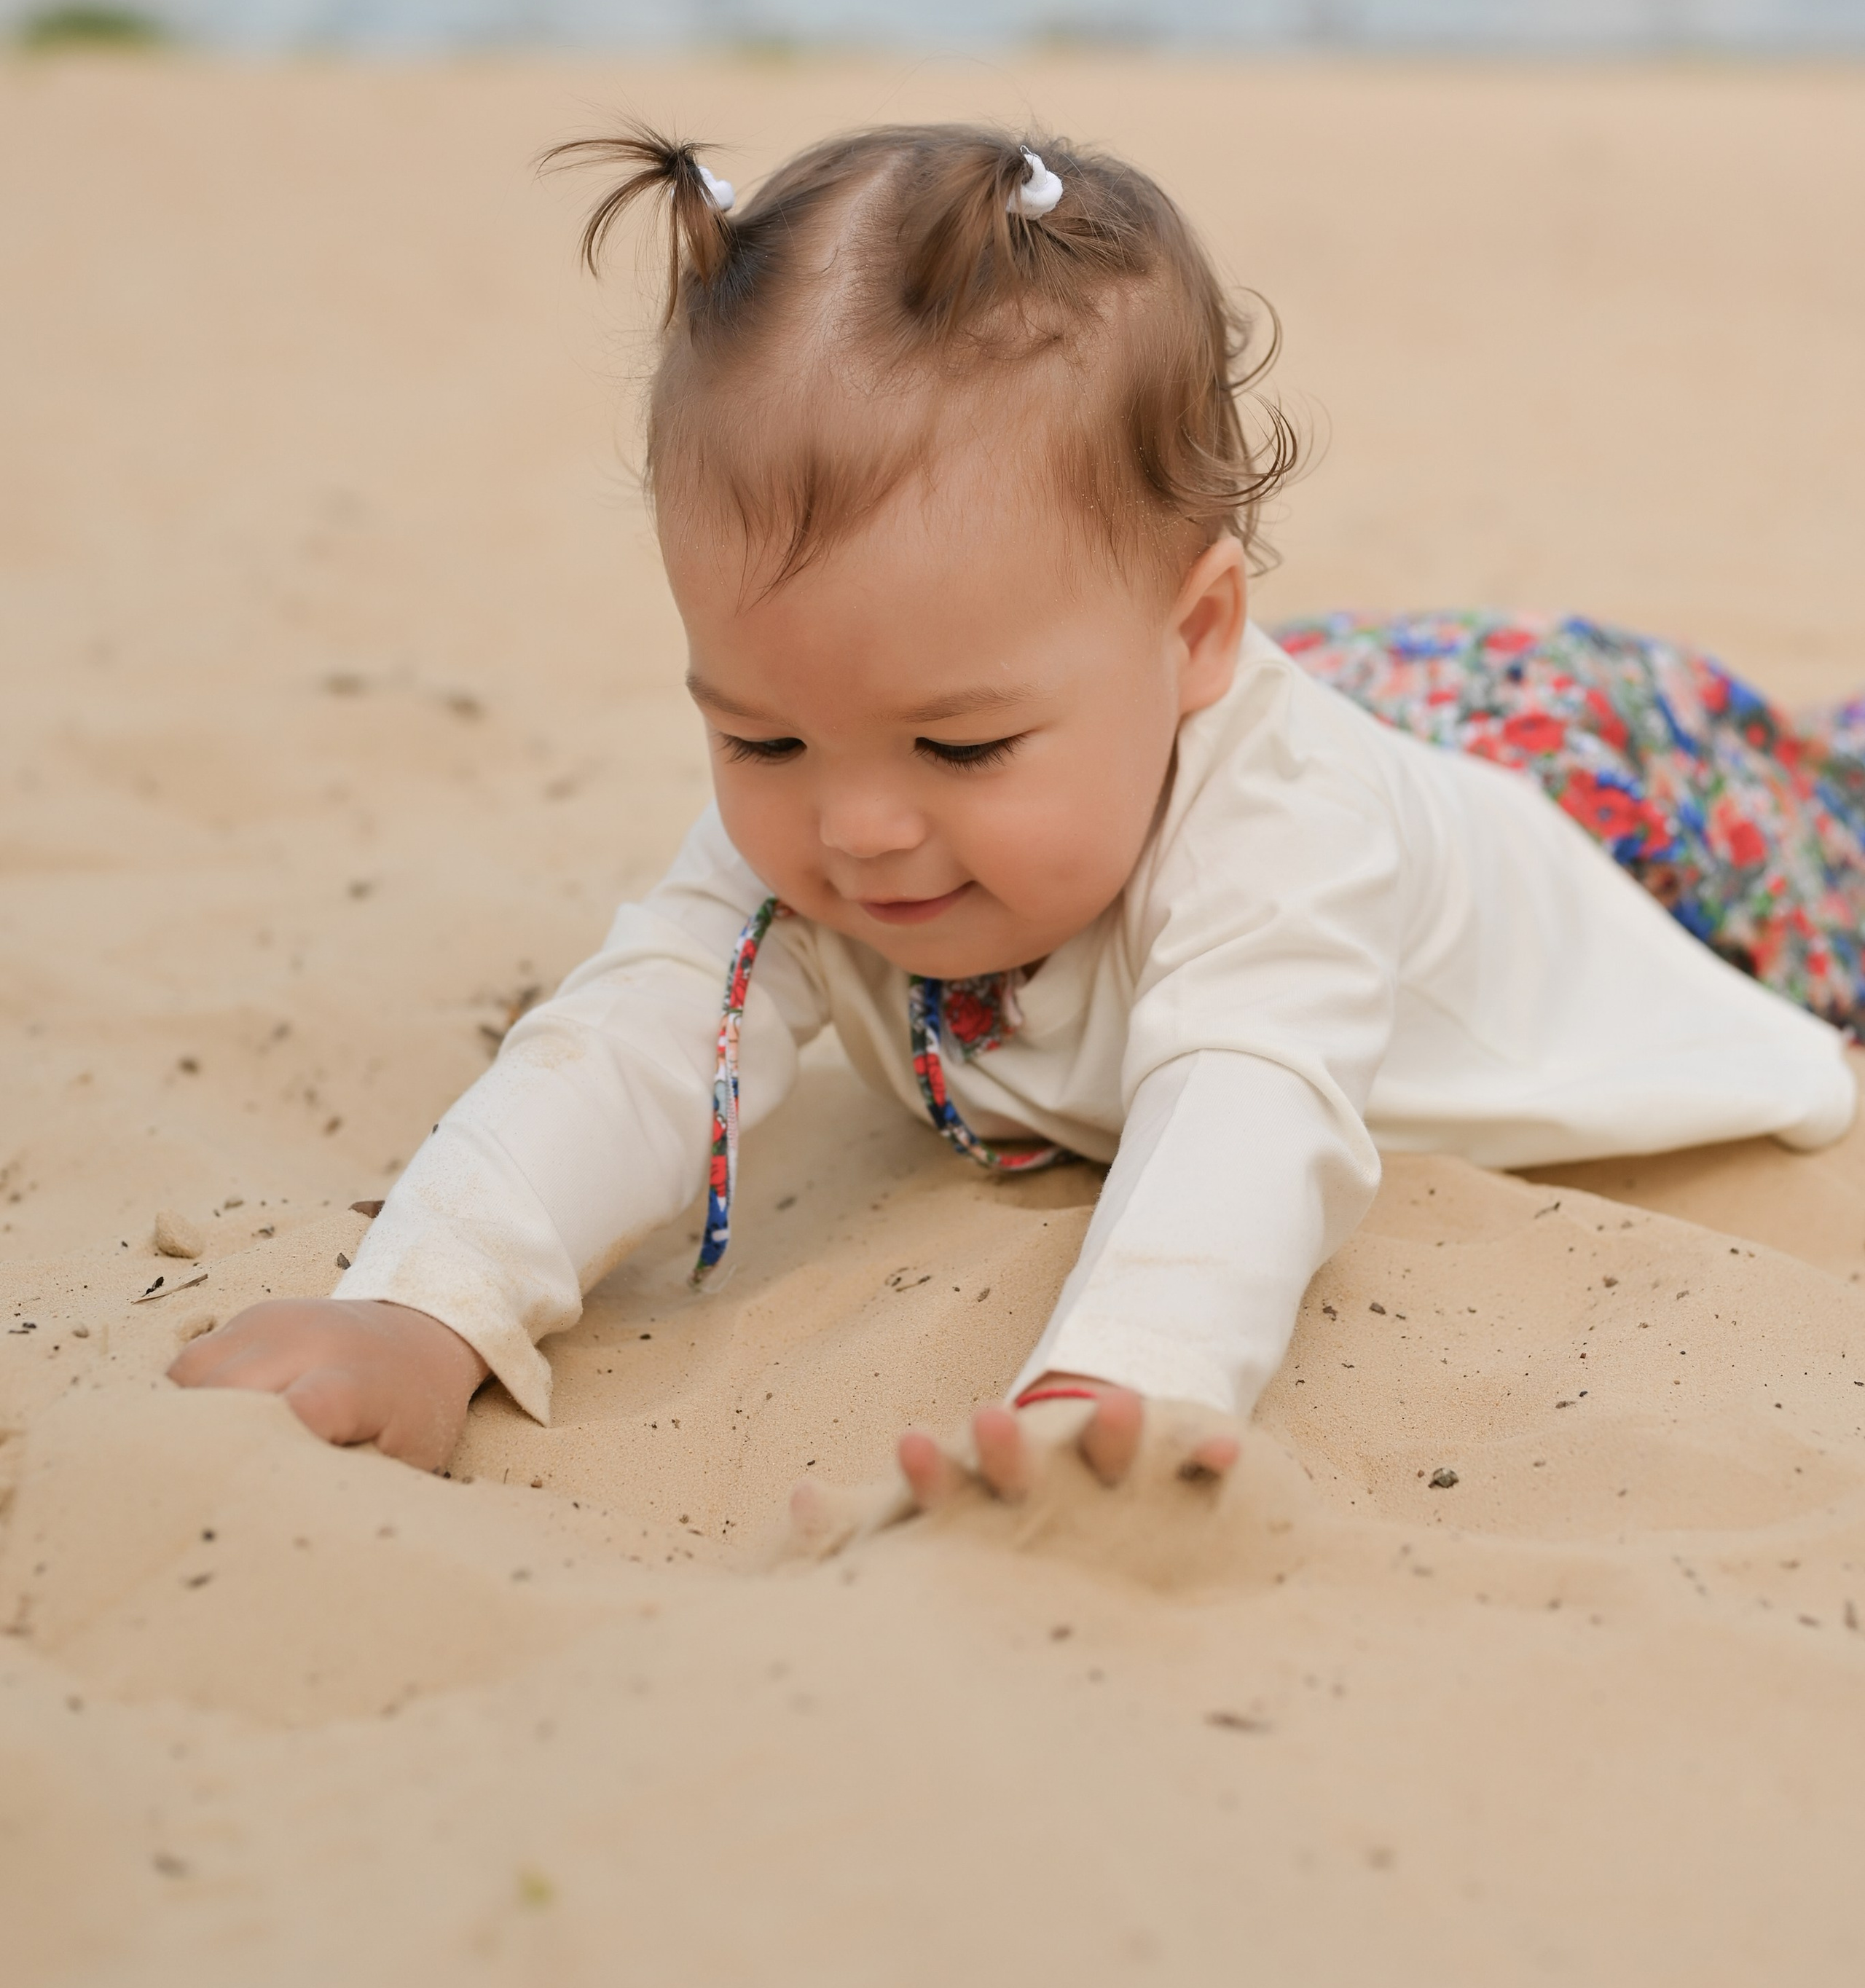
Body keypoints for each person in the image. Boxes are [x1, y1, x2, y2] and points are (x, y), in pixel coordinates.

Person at [171, 123, 1861, 1509]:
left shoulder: (1287, 841)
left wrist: (1114, 1383)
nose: (859, 833)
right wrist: (420, 1305)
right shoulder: (881, 774)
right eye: (757, 736)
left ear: (1194, 638)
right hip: (1345, 725)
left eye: (959, 749)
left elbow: (1244, 1109)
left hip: (1605, 819)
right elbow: (640, 1030)